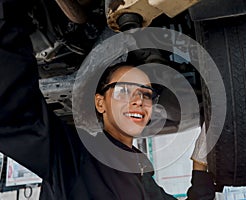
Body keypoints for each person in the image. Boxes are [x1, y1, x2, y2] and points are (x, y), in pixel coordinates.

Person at [0, 1, 215, 199]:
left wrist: (200, 162)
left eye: (146, 94)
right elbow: (15, 114)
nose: (138, 100)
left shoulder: (138, 177)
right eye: (124, 90)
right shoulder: (72, 156)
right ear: (100, 103)